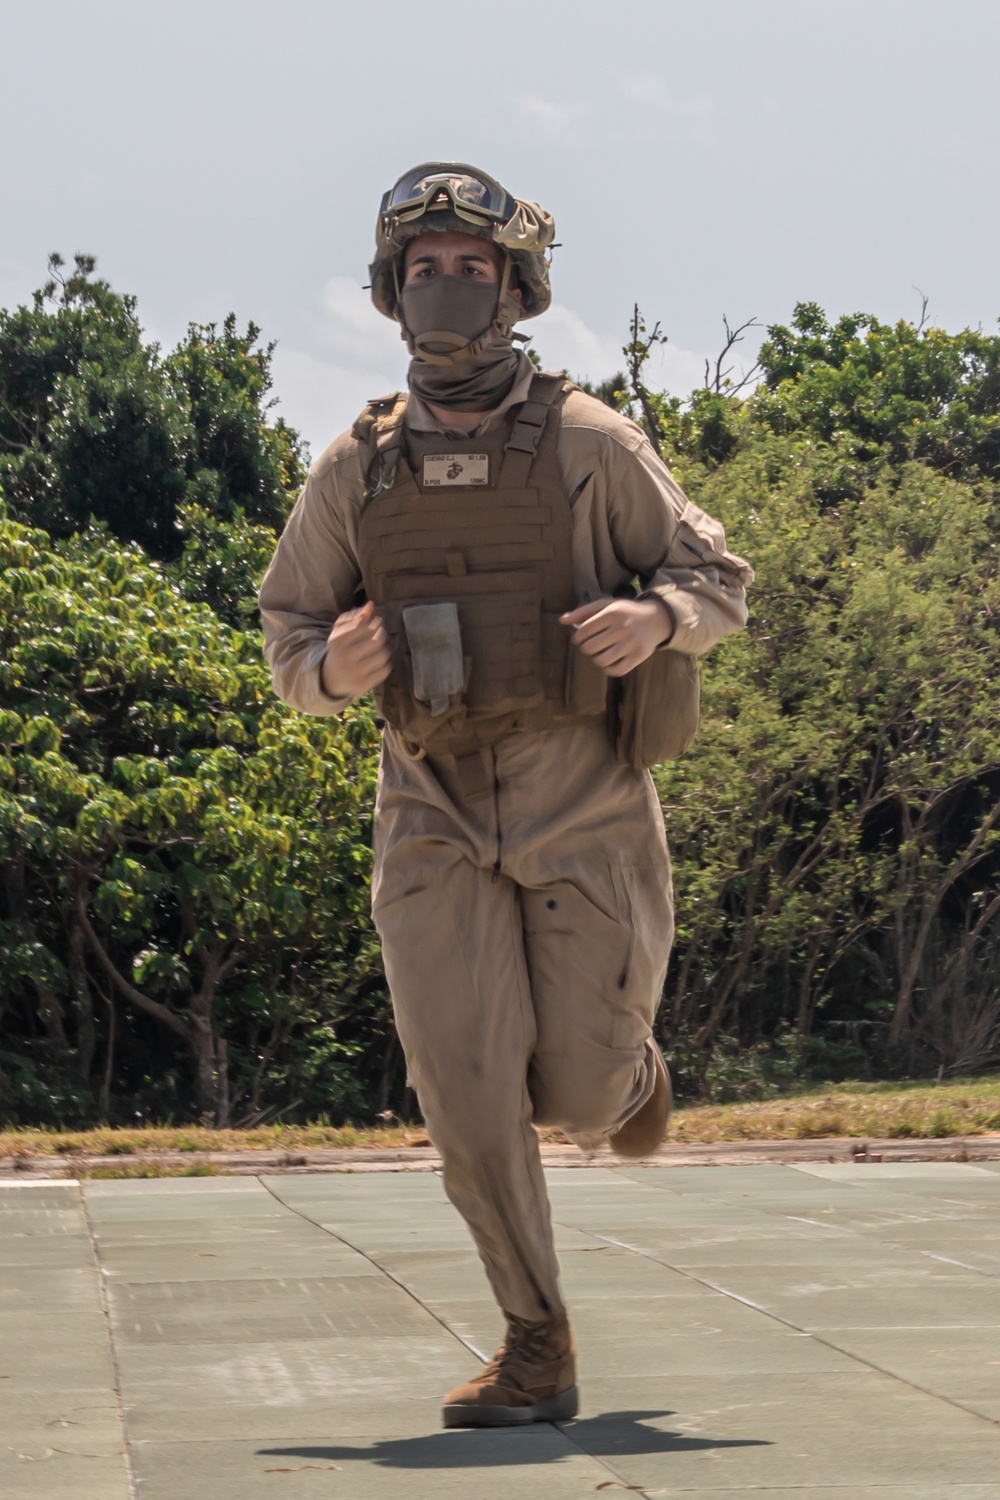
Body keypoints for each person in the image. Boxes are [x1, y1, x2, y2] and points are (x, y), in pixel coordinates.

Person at [259, 163, 752, 1429]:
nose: (444, 287)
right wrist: (328, 668)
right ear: (389, 290)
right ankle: (536, 1342)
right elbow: (287, 630)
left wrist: (655, 618)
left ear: (516, 289)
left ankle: (630, 1079)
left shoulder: (591, 442)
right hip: (428, 807)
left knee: (579, 1101)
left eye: (470, 269)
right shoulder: (353, 469)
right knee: (462, 1085)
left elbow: (716, 576)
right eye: (421, 268)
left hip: (580, 796)